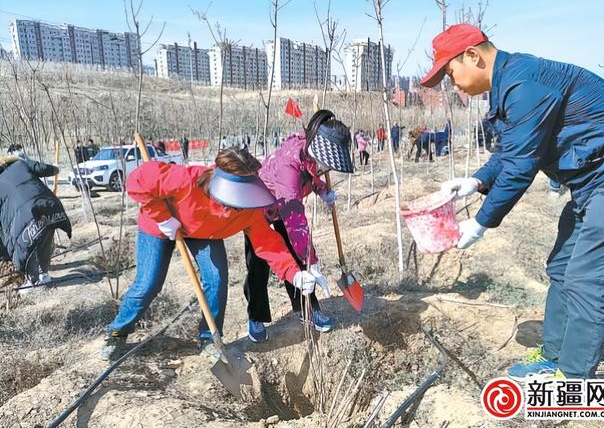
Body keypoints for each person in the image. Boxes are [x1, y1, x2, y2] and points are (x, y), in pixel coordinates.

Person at [422, 23, 604, 381]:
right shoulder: (512, 83)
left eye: (451, 72)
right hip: (593, 180)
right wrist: (475, 182)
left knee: (590, 279)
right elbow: (511, 151)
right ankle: (554, 357)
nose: (453, 83)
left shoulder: (525, 85)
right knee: (562, 266)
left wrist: (480, 223)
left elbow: (523, 164)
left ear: (473, 56)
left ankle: (572, 381)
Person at [99, 147, 325, 361]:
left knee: (216, 280)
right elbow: (137, 180)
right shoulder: (186, 180)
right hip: (161, 225)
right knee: (149, 284)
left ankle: (209, 338)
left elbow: (268, 244)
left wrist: (295, 275)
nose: (234, 209)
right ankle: (118, 332)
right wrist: (162, 216)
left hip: (204, 234)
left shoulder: (250, 210)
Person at [244, 110, 353, 342]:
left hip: (285, 206)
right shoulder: (288, 166)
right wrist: (312, 262)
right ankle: (256, 316)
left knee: (297, 257)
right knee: (258, 265)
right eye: (329, 163)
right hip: (259, 209)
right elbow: (294, 217)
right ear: (319, 151)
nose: (328, 168)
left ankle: (308, 311)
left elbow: (312, 176)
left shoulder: (310, 154)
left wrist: (323, 190)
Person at [0, 154, 71, 291]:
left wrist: (5, 254)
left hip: (25, 217)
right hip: (49, 207)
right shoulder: (20, 164)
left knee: (25, 249)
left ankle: (34, 281)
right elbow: (43, 168)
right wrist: (56, 169)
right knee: (45, 236)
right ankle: (44, 275)